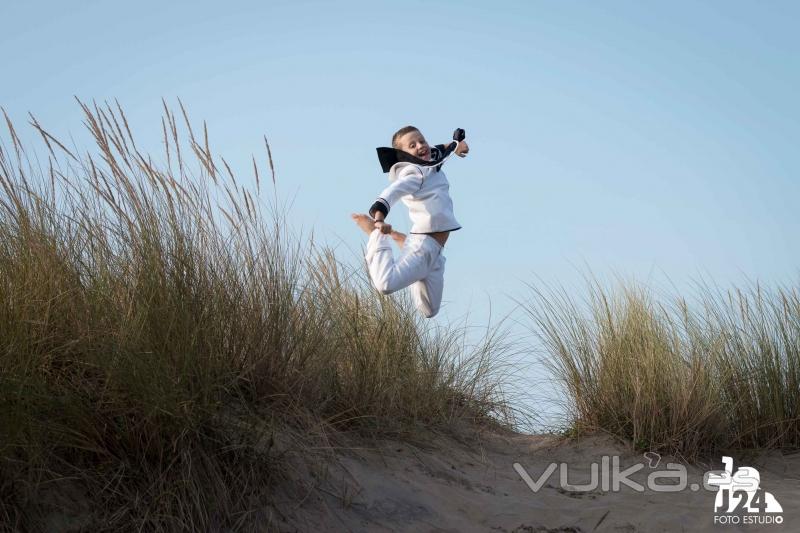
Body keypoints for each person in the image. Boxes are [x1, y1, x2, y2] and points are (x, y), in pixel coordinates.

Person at [351, 126, 469, 317]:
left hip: (436, 254)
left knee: (429, 311)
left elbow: (441, 149)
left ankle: (402, 241)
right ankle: (375, 234)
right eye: (412, 145)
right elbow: (391, 193)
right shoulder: (414, 174)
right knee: (385, 284)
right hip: (422, 247)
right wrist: (379, 218)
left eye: (422, 141)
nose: (420, 146)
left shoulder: (431, 162)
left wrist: (456, 146)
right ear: (404, 156)